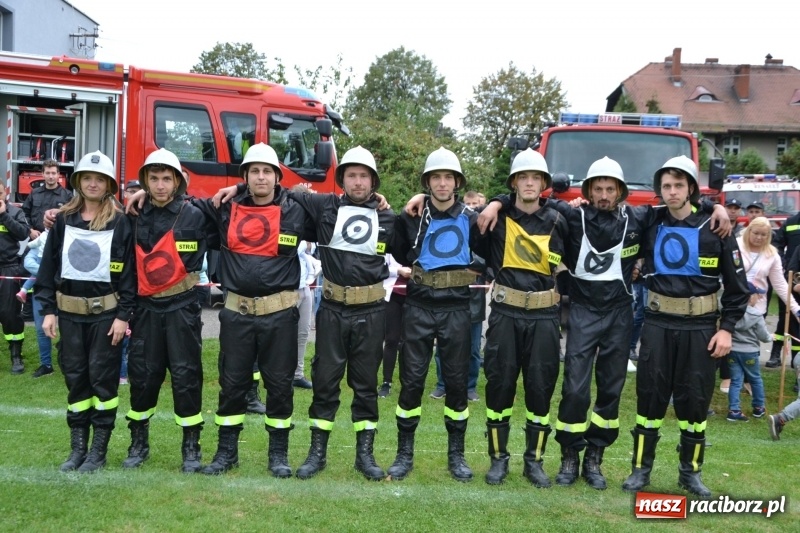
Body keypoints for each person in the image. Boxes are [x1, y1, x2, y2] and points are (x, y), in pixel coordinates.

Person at [621, 155, 748, 498]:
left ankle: (690, 473)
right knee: (649, 399)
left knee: (694, 403)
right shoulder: (651, 220)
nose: (672, 192)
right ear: (660, 190)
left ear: (691, 188)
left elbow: (737, 289)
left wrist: (727, 329)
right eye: (666, 186)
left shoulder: (716, 228)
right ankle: (640, 470)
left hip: (702, 329)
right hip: (658, 325)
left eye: (679, 185)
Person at [187, 143, 312, 477]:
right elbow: (180, 206)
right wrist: (137, 198)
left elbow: (341, 209)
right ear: (245, 176)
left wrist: (380, 200)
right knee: (232, 384)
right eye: (253, 171)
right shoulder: (225, 207)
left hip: (281, 315)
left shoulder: (296, 209)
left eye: (266, 171)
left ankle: (278, 455)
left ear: (276, 177)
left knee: (280, 385)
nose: (260, 177)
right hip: (236, 315)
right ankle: (226, 454)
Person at [284, 146, 397, 481]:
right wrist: (235, 186)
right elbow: (290, 191)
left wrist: (418, 196)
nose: (358, 182)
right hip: (332, 310)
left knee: (365, 385)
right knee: (325, 382)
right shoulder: (324, 206)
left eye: (364, 176)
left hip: (373, 312)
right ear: (342, 179)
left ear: (373, 180)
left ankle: (365, 455)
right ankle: (316, 454)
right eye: (352, 175)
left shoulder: (388, 217)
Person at [471, 149, 568, 486]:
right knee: (499, 387)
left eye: (535, 178)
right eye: (522, 178)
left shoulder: (560, 220)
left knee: (541, 389)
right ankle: (498, 460)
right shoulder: (494, 218)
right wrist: (496, 202)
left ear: (543, 183)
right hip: (505, 315)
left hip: (544, 317)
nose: (529, 183)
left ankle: (534, 461)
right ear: (513, 183)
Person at [37, 151, 135, 472]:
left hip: (106, 318)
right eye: (87, 178)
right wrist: (49, 311)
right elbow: (48, 267)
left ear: (109, 184)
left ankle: (98, 451)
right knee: (76, 380)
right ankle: (78, 448)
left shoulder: (120, 222)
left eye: (99, 179)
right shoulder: (63, 220)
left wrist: (123, 316)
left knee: (103, 382)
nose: (93, 184)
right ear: (78, 182)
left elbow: (130, 275)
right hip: (70, 316)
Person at [390, 147, 479, 482]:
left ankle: (456, 456)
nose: (442, 183)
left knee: (457, 384)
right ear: (427, 182)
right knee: (411, 382)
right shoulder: (410, 218)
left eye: (448, 177)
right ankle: (404, 454)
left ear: (457, 182)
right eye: (435, 177)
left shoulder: (472, 219)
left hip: (456, 309)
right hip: (418, 307)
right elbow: (396, 253)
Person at [121, 148, 209, 473]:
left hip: (183, 309)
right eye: (153, 179)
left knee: (187, 376)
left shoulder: (196, 214)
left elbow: (235, 204)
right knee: (143, 376)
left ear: (177, 181)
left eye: (166, 178)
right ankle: (138, 443)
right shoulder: (132, 215)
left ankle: (191, 448)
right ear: (145, 181)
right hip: (145, 310)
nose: (159, 185)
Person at [430, 190, 487, 402]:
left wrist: (473, 269)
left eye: (476, 204)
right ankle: (442, 384)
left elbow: (484, 263)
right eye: (468, 203)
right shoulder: (452, 227)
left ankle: (470, 386)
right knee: (443, 347)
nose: (471, 207)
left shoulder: (483, 229)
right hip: (450, 297)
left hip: (474, 301)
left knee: (472, 349)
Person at [726, 282, 771, 421]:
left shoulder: (730, 312)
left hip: (732, 351)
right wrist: (771, 337)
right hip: (750, 353)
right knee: (755, 379)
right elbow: (764, 337)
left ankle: (733, 410)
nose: (759, 297)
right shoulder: (757, 315)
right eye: (758, 294)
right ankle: (758, 408)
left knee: (735, 381)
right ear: (750, 297)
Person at [0, 182, 30, 375]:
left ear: (5, 193)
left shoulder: (13, 212)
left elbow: (23, 233)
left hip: (8, 268)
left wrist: (3, 216)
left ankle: (16, 355)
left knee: (9, 314)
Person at [766, 208, 800, 368]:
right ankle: (775, 354)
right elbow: (776, 245)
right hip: (791, 279)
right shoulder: (791, 222)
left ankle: (796, 364)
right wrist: (783, 265)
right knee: (784, 319)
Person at [379, 253, 410, 398]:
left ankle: (407, 381)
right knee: (391, 340)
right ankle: (386, 382)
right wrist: (399, 271)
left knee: (408, 341)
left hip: (414, 296)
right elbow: (381, 267)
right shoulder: (391, 245)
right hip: (392, 296)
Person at [294, 238, 316, 390]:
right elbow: (292, 250)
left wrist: (308, 244)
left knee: (303, 333)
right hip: (288, 288)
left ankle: (297, 375)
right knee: (283, 334)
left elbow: (311, 247)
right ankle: (280, 374)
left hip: (305, 286)